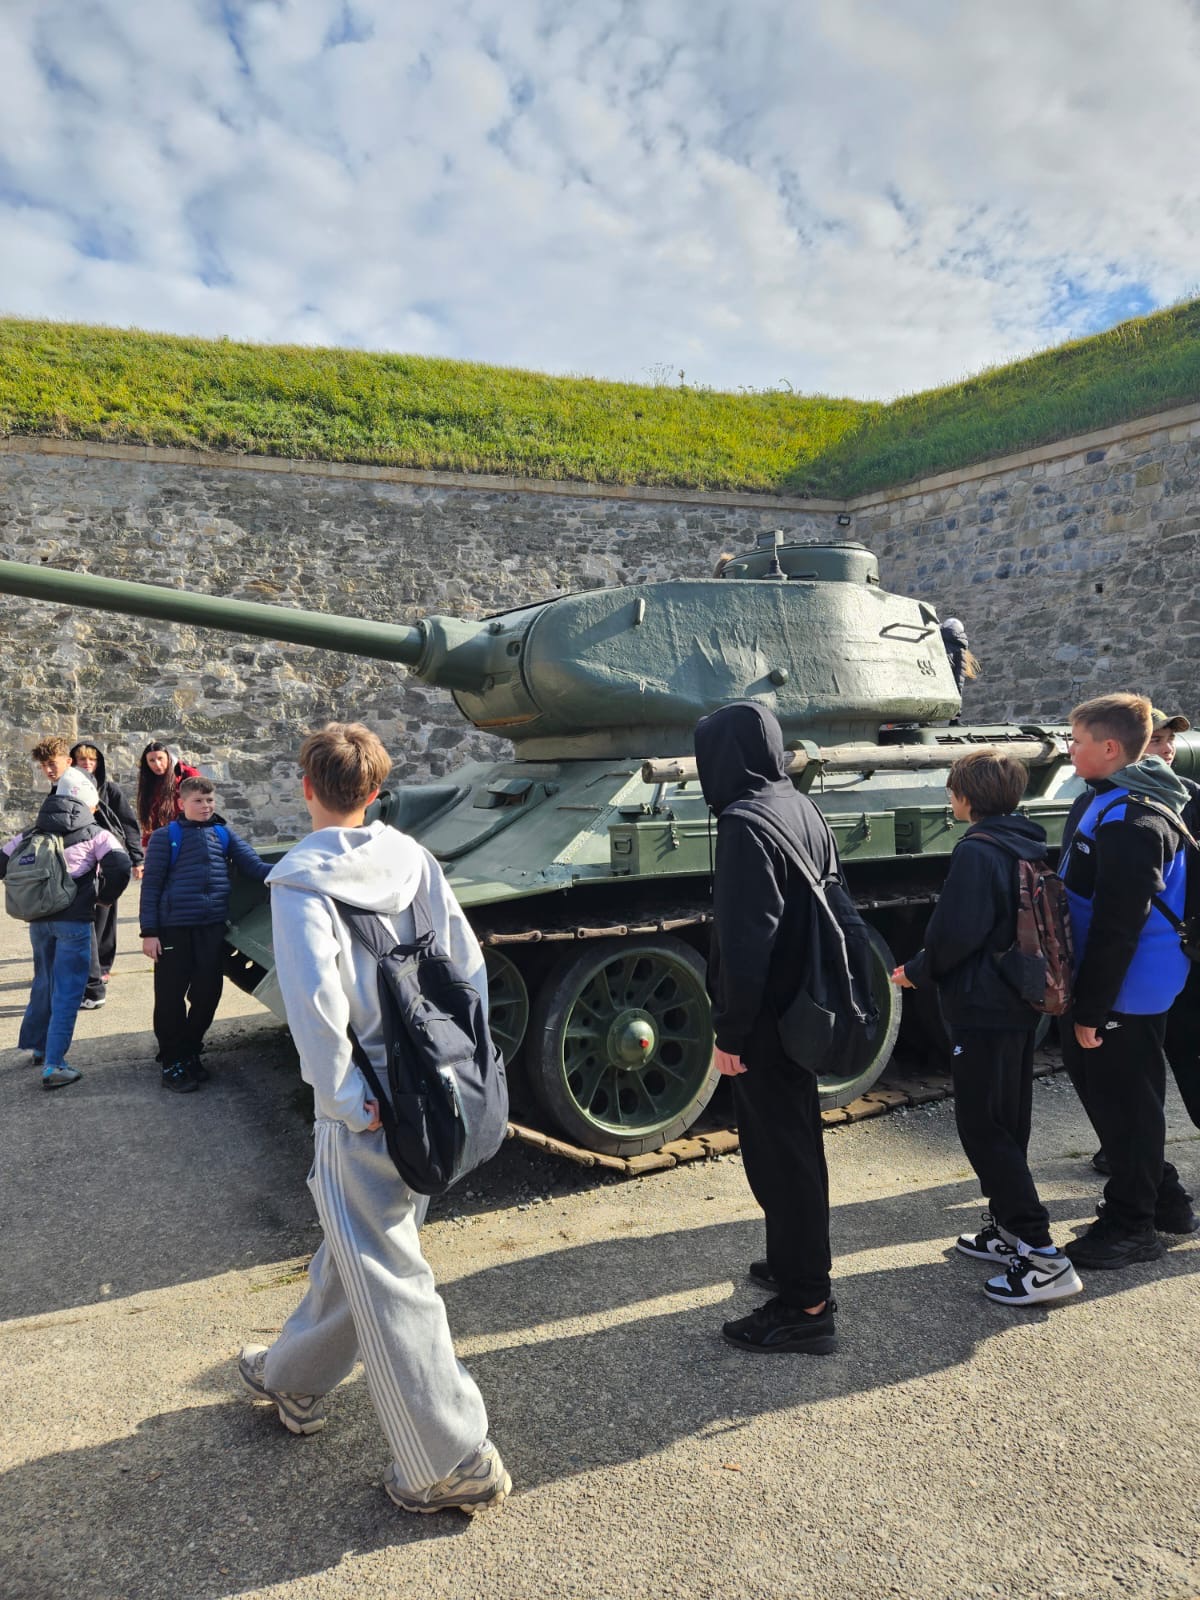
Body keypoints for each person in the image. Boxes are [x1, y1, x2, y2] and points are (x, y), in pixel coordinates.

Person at [237, 722, 509, 1515]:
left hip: (365, 1097)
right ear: (377, 790)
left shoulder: (300, 881)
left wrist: (345, 1101)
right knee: (360, 1245)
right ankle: (292, 1376)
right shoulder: (414, 858)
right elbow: (467, 966)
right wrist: (466, 1067)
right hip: (433, 1086)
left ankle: (448, 1456)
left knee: (386, 1269)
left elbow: (316, 1007)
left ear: (307, 788)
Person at [892, 750, 1083, 1306]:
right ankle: (1008, 1233)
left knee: (983, 1127)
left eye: (953, 790)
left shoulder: (977, 850)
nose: (949, 798)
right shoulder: (1025, 842)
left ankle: (1043, 1256)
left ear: (968, 797)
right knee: (1008, 1119)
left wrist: (917, 971)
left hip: (981, 1006)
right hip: (1018, 999)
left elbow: (955, 932)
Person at [693, 700, 838, 1355]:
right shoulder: (797, 804)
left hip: (766, 1023)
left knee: (780, 1160)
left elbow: (745, 943)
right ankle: (794, 1264)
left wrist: (729, 1033)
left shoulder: (743, 823)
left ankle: (806, 1305)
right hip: (803, 1009)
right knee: (798, 1145)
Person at [1059, 692, 1197, 1270]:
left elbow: (1120, 924)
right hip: (1122, 982)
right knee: (1117, 1097)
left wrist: (1092, 1008)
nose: (1069, 750)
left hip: (1128, 987)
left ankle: (1131, 1225)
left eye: (1078, 742)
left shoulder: (1130, 819)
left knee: (1127, 1106)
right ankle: (1162, 1199)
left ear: (1110, 748)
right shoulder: (1111, 801)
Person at [1091, 707, 1200, 1173]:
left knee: (1190, 1058)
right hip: (1146, 960)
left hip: (1184, 953)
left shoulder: (1188, 796)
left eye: (1169, 739)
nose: (1167, 748)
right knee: (1139, 1070)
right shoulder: (1111, 802)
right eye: (1156, 739)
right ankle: (1131, 1154)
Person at [1, 765, 131, 1089]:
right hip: (74, 922)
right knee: (69, 991)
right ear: (88, 802)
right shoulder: (96, 833)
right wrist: (104, 899)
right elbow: (121, 866)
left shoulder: (31, 833)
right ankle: (54, 1065)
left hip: (38, 923)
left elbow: (2, 862)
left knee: (44, 982)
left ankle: (39, 1047)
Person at [139, 776, 270, 1092]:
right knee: (170, 998)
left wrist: (303, 868)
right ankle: (172, 1061)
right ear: (181, 803)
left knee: (207, 994)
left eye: (210, 800)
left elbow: (256, 867)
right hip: (172, 930)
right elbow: (151, 886)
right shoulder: (164, 837)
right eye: (198, 801)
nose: (206, 806)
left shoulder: (223, 834)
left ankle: (189, 1050)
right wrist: (149, 933)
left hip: (211, 928)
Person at [70, 741, 145, 1008]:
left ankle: (102, 966)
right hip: (78, 862)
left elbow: (128, 824)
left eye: (92, 760)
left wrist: (136, 858)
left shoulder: (109, 790)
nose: (87, 764)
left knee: (104, 913)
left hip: (108, 859)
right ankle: (83, 969)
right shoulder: (65, 790)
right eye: (82, 759)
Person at [135, 741, 200, 847]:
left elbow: (199, 805)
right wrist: (146, 845)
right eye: (152, 760)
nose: (157, 764)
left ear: (168, 757)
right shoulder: (149, 781)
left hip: (189, 835)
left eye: (160, 758)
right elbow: (150, 817)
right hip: (163, 839)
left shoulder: (187, 775)